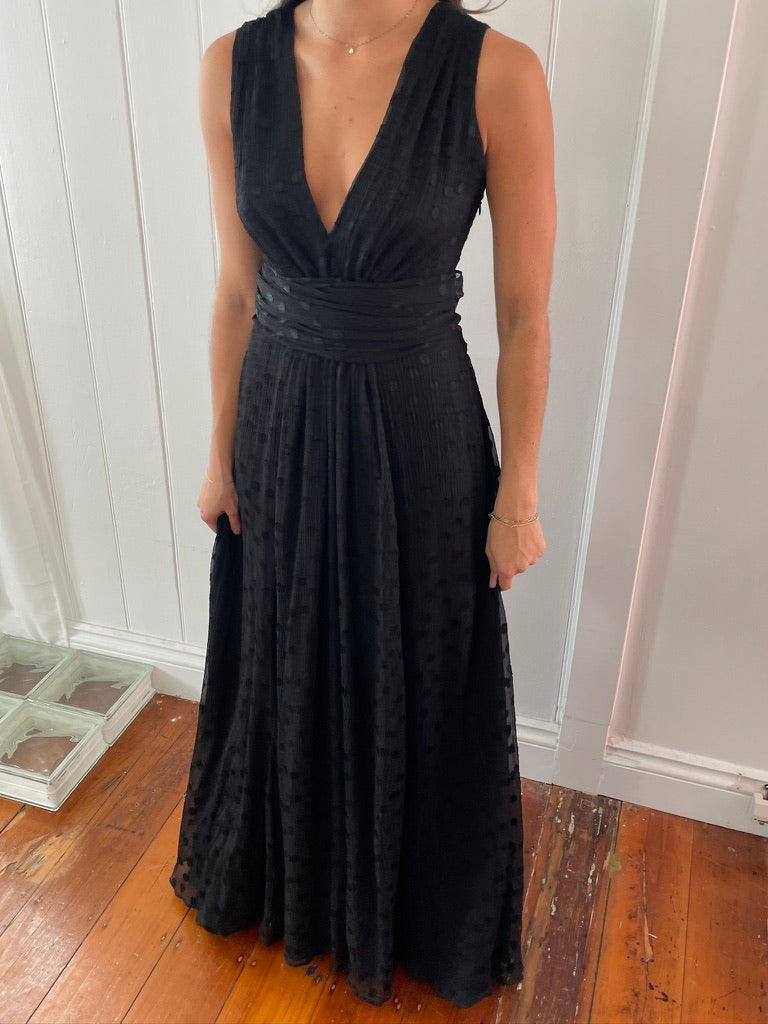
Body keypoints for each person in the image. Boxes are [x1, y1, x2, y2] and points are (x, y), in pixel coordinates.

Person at [169, 0, 554, 1009]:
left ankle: (410, 912)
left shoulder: (496, 72)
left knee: (420, 666)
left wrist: (518, 491)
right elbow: (237, 289)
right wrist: (218, 454)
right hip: (278, 423)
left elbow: (526, 314)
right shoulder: (231, 66)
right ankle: (295, 886)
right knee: (284, 652)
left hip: (419, 431)